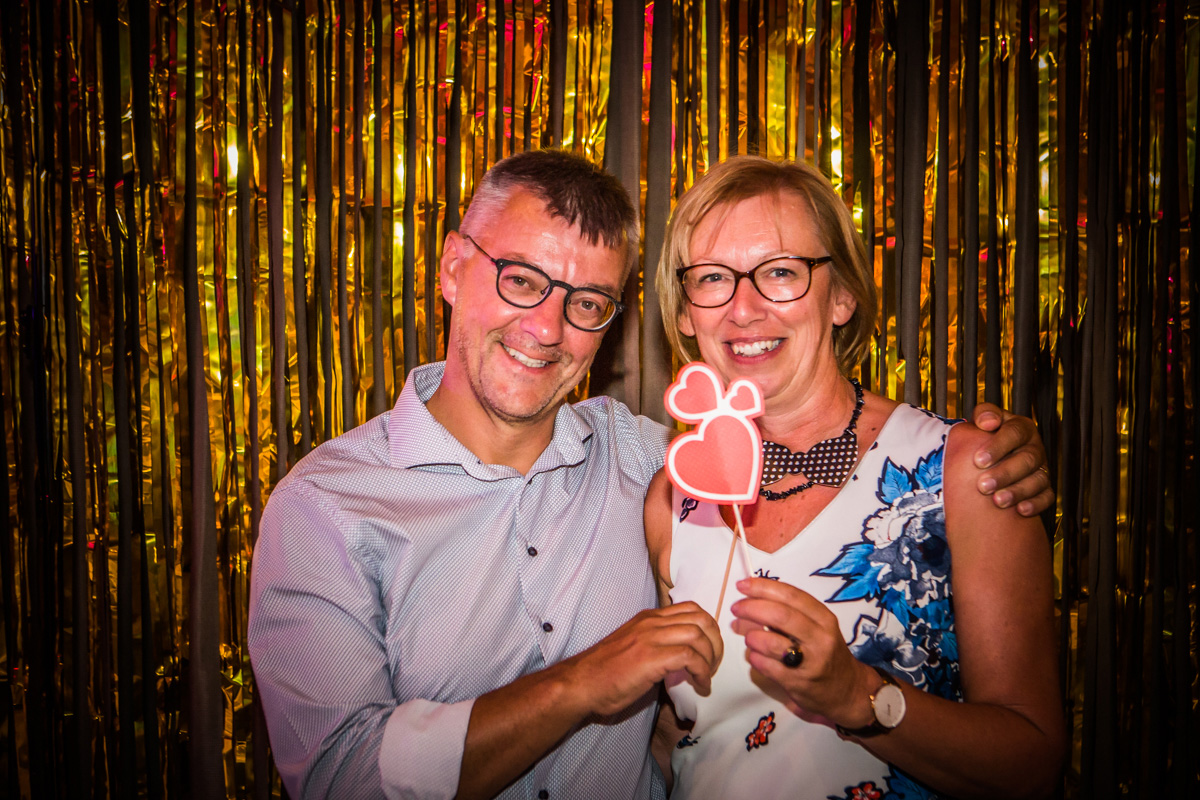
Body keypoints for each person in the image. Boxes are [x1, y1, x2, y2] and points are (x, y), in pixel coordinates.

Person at [248, 149, 1053, 800]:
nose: (546, 327)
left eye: (587, 302)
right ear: (454, 268)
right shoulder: (328, 509)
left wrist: (999, 450)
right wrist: (580, 684)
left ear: (840, 293)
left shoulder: (653, 465)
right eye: (521, 280)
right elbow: (339, 778)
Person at [645, 155, 1065, 799]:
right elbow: (682, 738)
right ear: (684, 312)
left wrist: (859, 696)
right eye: (712, 279)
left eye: (780, 272)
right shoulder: (673, 499)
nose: (743, 309)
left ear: (841, 294)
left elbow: (1032, 763)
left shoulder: (967, 472)